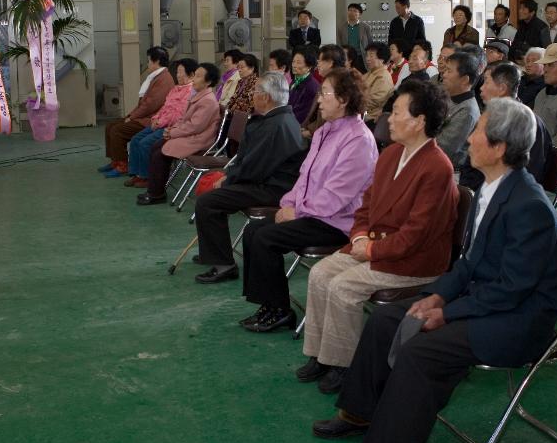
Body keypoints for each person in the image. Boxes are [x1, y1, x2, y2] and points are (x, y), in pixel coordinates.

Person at [312, 97, 557, 443]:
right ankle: (360, 412)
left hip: (519, 320)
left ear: (499, 148)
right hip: (489, 300)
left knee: (422, 352)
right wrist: (436, 296)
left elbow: (513, 289)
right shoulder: (494, 188)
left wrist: (446, 311)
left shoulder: (529, 206)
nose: (468, 137)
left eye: (478, 130)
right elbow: (470, 264)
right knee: (386, 321)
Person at [297, 79, 459, 394]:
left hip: (414, 260)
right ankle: (322, 354)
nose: (389, 119)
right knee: (320, 273)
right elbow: (366, 205)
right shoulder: (391, 154)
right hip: (378, 245)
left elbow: (416, 234)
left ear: (419, 122)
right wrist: (359, 237)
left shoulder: (437, 167)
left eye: (396, 112)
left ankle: (345, 365)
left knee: (343, 287)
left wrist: (370, 249)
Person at [240, 69, 380, 333]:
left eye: (325, 94)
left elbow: (336, 196)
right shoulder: (324, 131)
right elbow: (304, 177)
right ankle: (268, 304)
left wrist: (298, 212)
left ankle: (280, 310)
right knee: (253, 228)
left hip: (338, 222)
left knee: (266, 238)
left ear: (344, 100)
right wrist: (287, 203)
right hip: (313, 213)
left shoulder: (358, 139)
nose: (319, 100)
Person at [193, 72, 306, 282]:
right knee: (213, 197)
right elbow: (249, 161)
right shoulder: (276, 118)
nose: (252, 95)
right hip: (265, 181)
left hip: (272, 188)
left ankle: (223, 264)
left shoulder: (276, 125)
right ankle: (214, 252)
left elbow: (254, 167)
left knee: (209, 202)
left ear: (266, 97)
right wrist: (229, 175)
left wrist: (227, 180)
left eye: (255, 91)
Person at [457, 62, 551, 192]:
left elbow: (529, 173)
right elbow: (469, 162)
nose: (481, 88)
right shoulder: (488, 116)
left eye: (487, 82)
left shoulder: (529, 124)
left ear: (502, 88)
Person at [137, 63, 222, 206]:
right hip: (190, 135)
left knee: (160, 153)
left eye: (199, 76)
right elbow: (183, 119)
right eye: (195, 75)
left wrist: (173, 133)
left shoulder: (208, 101)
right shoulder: (198, 95)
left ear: (208, 81)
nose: (194, 79)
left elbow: (194, 127)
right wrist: (172, 130)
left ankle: (156, 194)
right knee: (157, 146)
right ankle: (155, 190)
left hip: (198, 140)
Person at [99, 46, 175, 177]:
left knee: (117, 130)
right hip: (145, 116)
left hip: (150, 119)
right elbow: (144, 103)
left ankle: (123, 165)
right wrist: (130, 115)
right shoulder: (156, 77)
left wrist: (132, 117)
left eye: (149, 61)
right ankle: (115, 161)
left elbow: (150, 105)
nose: (148, 64)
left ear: (156, 61)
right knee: (109, 126)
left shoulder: (164, 79)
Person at [125, 59, 198, 188]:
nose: (178, 75)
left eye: (181, 72)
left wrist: (159, 123)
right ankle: (137, 174)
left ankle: (148, 177)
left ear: (191, 75)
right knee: (136, 139)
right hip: (160, 123)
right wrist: (155, 119)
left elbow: (178, 115)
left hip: (171, 127)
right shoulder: (176, 89)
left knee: (145, 144)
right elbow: (165, 107)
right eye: (177, 72)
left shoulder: (190, 91)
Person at [436, 52, 481, 169]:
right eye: (444, 70)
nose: (443, 74)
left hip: (447, 169)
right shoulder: (446, 96)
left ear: (465, 80)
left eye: (449, 71)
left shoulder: (467, 110)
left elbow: (444, 148)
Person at [301, 45, 347, 139]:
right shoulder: (328, 81)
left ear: (330, 63)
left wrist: (309, 132)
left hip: (330, 136)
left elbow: (329, 118)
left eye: (320, 61)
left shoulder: (338, 83)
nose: (318, 65)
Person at [360, 43, 395, 124]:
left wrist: (352, 103)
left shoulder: (383, 77)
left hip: (371, 119)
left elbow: (372, 101)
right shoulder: (371, 73)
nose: (367, 59)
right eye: (367, 55)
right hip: (362, 114)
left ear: (382, 59)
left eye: (371, 56)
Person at [289, 50, 321, 124]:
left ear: (309, 66)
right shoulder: (295, 81)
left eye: (298, 62)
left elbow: (303, 114)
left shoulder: (311, 86)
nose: (294, 65)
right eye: (293, 62)